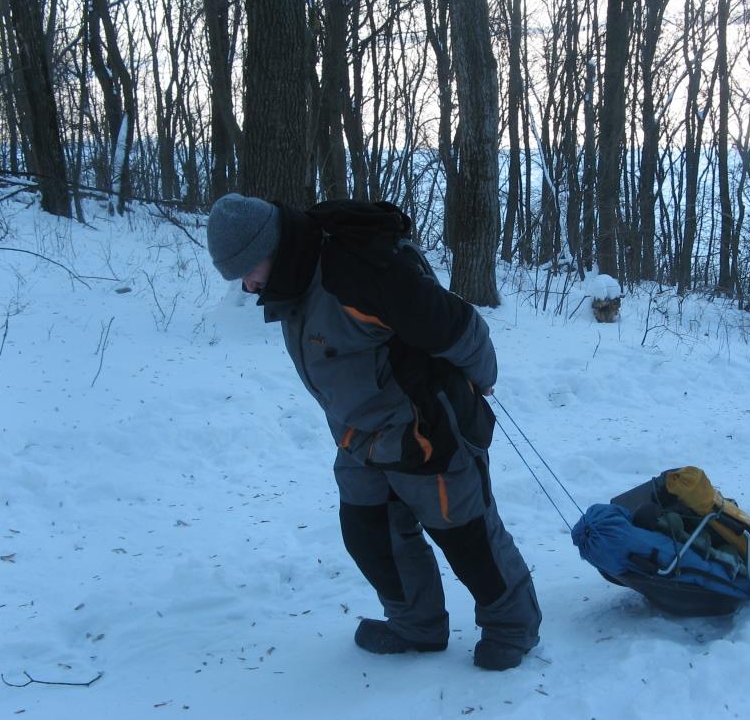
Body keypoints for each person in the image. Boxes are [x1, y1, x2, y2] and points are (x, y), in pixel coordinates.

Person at [206, 193, 542, 671]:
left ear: (271, 247)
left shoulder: (359, 273)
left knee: (465, 535)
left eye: (247, 269)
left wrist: (483, 378)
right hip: (358, 435)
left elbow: (459, 326)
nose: (247, 284)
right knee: (370, 534)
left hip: (426, 429)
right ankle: (417, 626)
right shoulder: (292, 279)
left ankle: (512, 626)